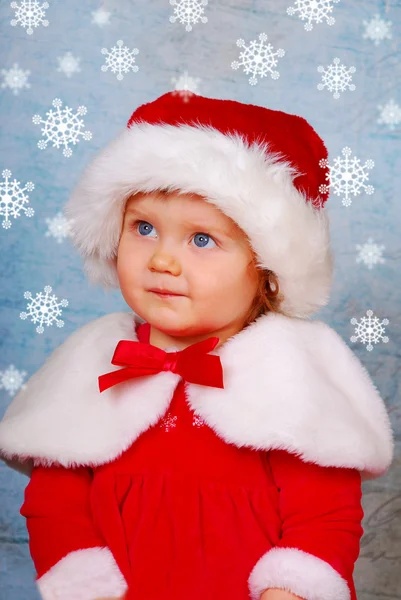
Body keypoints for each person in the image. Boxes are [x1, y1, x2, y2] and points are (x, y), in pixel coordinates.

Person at [0, 91, 394, 600]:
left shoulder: (290, 374)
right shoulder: (93, 362)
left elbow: (324, 519)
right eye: (143, 228)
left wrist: (289, 590)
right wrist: (85, 583)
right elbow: (55, 502)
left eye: (201, 239)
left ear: (268, 268)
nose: (162, 260)